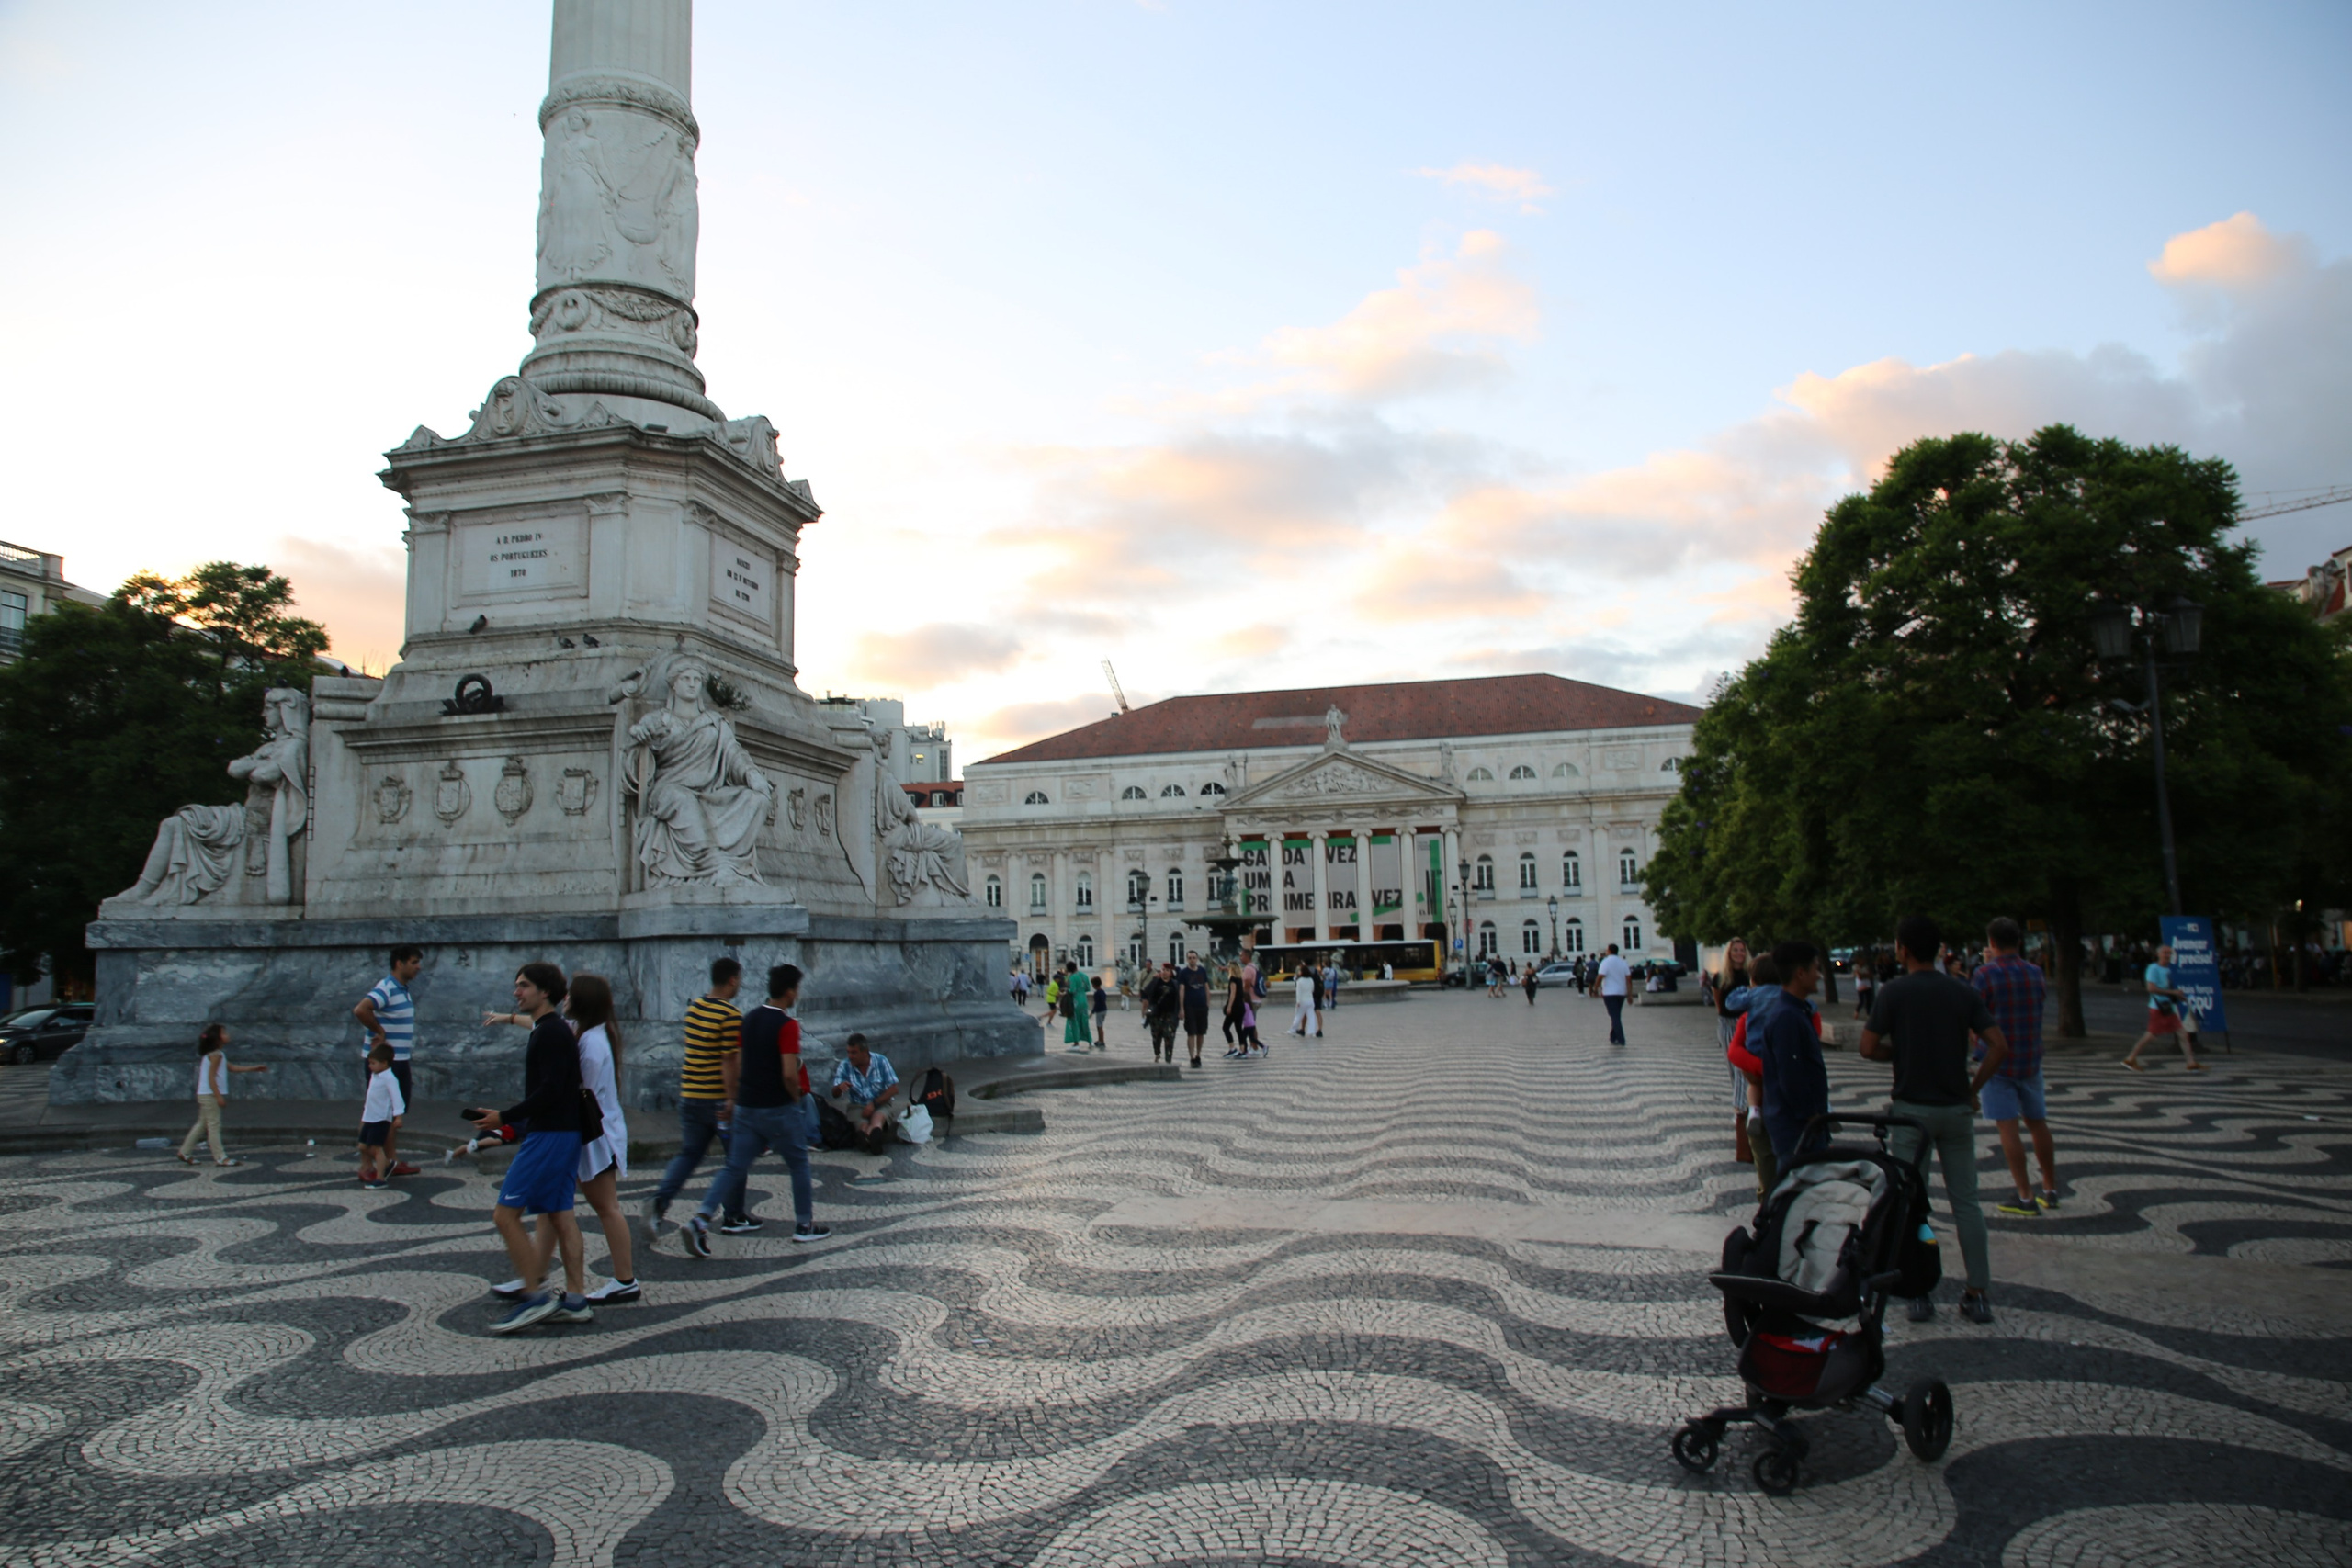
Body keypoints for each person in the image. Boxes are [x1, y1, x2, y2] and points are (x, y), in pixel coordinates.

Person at [1860, 915, 2009, 1325]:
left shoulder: (1893, 993)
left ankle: (1918, 1291)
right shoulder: (1962, 990)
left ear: (1902, 950)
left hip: (1913, 1115)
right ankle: (1978, 1293)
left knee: (1912, 1204)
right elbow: (1998, 1045)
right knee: (1967, 1203)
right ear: (1940, 950)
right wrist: (1973, 1088)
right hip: (1956, 1109)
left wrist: (1902, 1054)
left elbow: (1867, 1047)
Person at [469, 963, 592, 1333]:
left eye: (523, 986)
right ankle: (576, 1299)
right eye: (517, 985)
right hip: (561, 1132)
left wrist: (506, 1117)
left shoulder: (551, 1034)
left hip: (550, 1135)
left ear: (545, 993)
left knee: (505, 1216)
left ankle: (535, 1296)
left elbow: (551, 1090)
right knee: (560, 1214)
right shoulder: (549, 1029)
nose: (516, 992)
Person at [684, 964, 829, 1257]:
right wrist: (795, 1098)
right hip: (776, 1107)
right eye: (797, 989)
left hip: (747, 1107)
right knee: (799, 1163)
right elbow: (789, 1072)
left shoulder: (748, 1018)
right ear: (790, 992)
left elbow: (736, 1063)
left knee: (734, 1165)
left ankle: (701, 1219)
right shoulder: (787, 1025)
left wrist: (734, 1098)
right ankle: (804, 1225)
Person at [648, 957, 752, 1234]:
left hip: (689, 1094)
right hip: (716, 1099)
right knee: (736, 1158)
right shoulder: (730, 1015)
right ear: (732, 979)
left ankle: (660, 1201)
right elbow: (729, 1061)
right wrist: (732, 1098)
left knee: (689, 1154)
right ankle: (733, 1215)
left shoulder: (694, 1007)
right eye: (738, 980)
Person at [1973, 918, 2059, 1217]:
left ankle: (2025, 1195)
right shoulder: (2036, 973)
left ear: (1991, 943)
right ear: (2019, 941)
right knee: (2038, 1122)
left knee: (2008, 1127)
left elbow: (1976, 1017)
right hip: (2031, 1058)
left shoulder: (1984, 975)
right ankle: (2050, 1188)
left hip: (1998, 1064)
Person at [1753, 941, 1831, 1171]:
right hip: (1797, 1128)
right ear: (1800, 973)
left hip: (1800, 1125)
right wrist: (1811, 1116)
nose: (1819, 975)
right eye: (1815, 969)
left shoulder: (1795, 1011)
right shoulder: (1787, 1017)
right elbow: (1791, 1075)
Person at [353, 944, 424, 1179]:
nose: (418, 967)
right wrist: (379, 1031)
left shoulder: (402, 989)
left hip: (398, 1060)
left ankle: (391, 1160)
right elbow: (362, 1009)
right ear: (399, 963)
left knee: (391, 1113)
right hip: (386, 1063)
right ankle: (367, 1165)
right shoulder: (387, 988)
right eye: (414, 962)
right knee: (377, 1114)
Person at [177, 1023, 266, 1168]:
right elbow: (211, 1077)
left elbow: (232, 1068)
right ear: (217, 1039)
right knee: (214, 1125)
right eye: (224, 1033)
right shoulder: (216, 1055)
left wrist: (254, 1068)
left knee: (202, 1124)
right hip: (210, 1095)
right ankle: (220, 1157)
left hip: (205, 1094)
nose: (228, 1035)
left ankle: (185, 1152)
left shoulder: (218, 1054)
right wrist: (218, 1096)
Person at [2121, 943, 2206, 1073]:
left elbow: (2170, 989)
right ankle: (2130, 1058)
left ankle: (2191, 1063)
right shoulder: (2153, 969)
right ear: (2158, 954)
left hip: (2168, 1008)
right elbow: (2151, 988)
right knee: (2150, 1036)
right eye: (2165, 953)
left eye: (2169, 953)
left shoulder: (2169, 970)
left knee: (2182, 1033)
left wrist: (2178, 996)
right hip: (2158, 1008)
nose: (2167, 956)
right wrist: (2173, 993)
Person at [831, 1032, 901, 1144]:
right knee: (861, 1124)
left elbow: (894, 1089)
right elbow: (834, 1094)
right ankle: (865, 1137)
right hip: (857, 1105)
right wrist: (839, 1088)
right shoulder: (845, 1065)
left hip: (880, 1102)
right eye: (848, 1052)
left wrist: (874, 1104)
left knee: (878, 1119)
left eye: (854, 1053)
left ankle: (873, 1135)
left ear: (864, 1052)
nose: (850, 1056)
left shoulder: (881, 1061)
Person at [356, 1043, 404, 1187]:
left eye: (373, 1063)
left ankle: (380, 1178)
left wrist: (398, 1116)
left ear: (384, 1063)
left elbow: (397, 1098)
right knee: (363, 1146)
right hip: (370, 1117)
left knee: (377, 1148)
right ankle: (387, 1163)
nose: (370, 1066)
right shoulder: (376, 1075)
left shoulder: (390, 1079)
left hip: (380, 1119)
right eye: (369, 1063)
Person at [1178, 951, 1211, 1068]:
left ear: (1197, 959)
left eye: (1194, 957)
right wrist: (1181, 1008)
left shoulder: (1202, 971)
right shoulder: (1183, 973)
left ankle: (1198, 1055)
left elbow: (1207, 987)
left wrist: (1208, 1003)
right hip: (1190, 1006)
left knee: (1201, 1032)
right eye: (1190, 958)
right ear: (1187, 959)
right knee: (1191, 1032)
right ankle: (1192, 1057)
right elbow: (1181, 990)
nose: (1192, 960)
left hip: (1202, 1006)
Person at [1141, 961, 1179, 1064]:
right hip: (1156, 1015)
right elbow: (1145, 992)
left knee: (1169, 1036)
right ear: (1161, 971)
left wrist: (1179, 1012)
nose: (1165, 972)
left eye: (1168, 970)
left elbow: (1178, 999)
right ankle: (1157, 1053)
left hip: (1170, 1015)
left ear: (1171, 972)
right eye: (1164, 970)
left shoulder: (1175, 984)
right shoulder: (1156, 982)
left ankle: (1168, 1059)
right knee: (1156, 1036)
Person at [1596, 943, 1632, 1045]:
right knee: (1616, 1015)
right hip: (1621, 993)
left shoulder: (1605, 962)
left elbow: (1600, 976)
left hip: (1609, 993)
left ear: (1610, 951)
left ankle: (1621, 1039)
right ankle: (1613, 1037)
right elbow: (1629, 979)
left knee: (1614, 1016)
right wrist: (1629, 994)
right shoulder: (1623, 962)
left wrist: (1595, 988)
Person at [1060, 963, 1090, 1053]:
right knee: (1084, 1020)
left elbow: (1072, 990)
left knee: (1074, 1021)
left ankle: (1076, 1043)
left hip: (1075, 1001)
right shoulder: (1083, 976)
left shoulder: (1072, 977)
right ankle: (1089, 1040)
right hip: (1084, 1000)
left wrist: (1065, 991)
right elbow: (1088, 988)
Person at [1289, 965, 1320, 1038]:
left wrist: (1298, 1002)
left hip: (1302, 1001)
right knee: (1311, 1016)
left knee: (1298, 1016)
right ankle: (1311, 1031)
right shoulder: (1310, 980)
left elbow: (1298, 992)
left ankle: (1293, 1030)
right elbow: (1312, 990)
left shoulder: (1299, 981)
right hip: (1310, 1000)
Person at [1091, 974, 1110, 1050]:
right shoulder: (1102, 991)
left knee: (1099, 1026)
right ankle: (1100, 1040)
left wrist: (1092, 1011)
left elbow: (1097, 1003)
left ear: (1095, 985)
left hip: (1100, 1011)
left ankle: (1101, 1041)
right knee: (1100, 1026)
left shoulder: (1097, 993)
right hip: (1104, 1009)